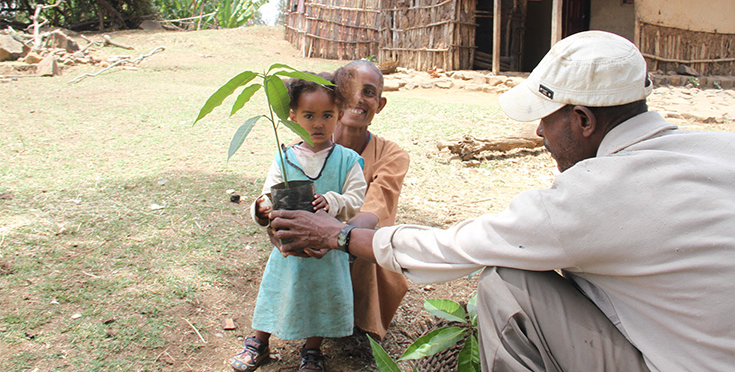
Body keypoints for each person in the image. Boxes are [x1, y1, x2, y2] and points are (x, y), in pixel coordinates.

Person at [268, 31, 735, 372]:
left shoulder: (596, 192)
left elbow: (460, 246)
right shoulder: (721, 149)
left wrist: (340, 233)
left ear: (583, 120)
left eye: (545, 119)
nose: (538, 132)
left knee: (507, 283)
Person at [231, 72, 367, 372]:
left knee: (321, 296)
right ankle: (258, 342)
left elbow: (356, 199)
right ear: (292, 116)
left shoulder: (347, 160)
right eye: (308, 115)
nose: (318, 123)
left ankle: (312, 350)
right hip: (288, 248)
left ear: (340, 115)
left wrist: (334, 201)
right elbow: (268, 194)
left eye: (327, 115)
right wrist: (261, 208)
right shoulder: (284, 158)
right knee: (276, 291)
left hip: (326, 250)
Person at [332, 60, 410, 340]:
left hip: (355, 241)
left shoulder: (392, 155)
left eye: (368, 92)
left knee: (363, 238)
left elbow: (376, 207)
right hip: (317, 235)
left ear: (380, 103)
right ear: (335, 95)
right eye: (348, 90)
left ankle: (360, 325)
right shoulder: (312, 145)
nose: (357, 99)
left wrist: (332, 236)